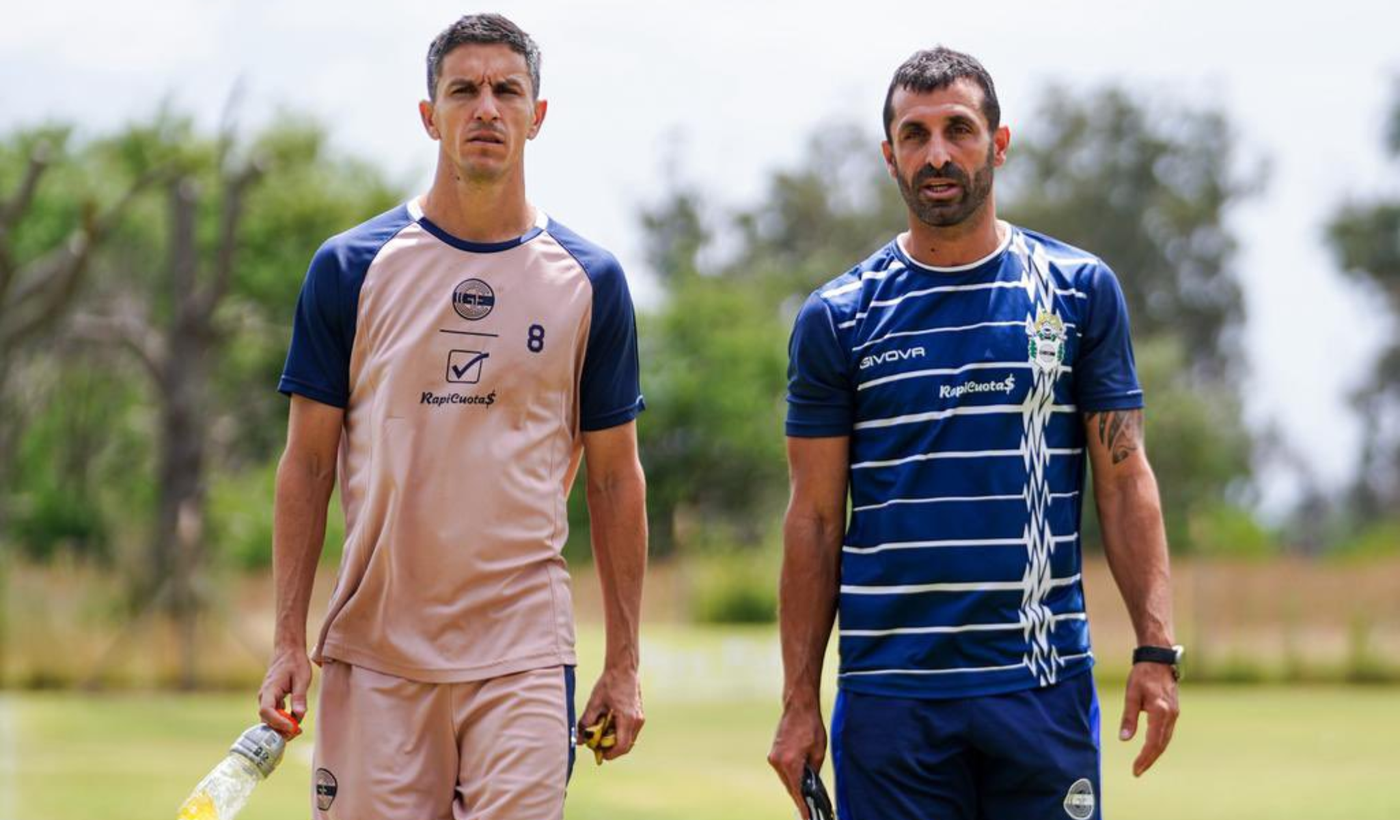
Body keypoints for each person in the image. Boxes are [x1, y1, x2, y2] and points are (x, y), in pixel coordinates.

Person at [768, 47, 1181, 820]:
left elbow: (1126, 480)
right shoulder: (839, 316)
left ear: (999, 142)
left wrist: (1156, 649)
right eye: (915, 135)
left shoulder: (1078, 291)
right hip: (892, 699)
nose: (937, 153)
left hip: (1040, 687)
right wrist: (798, 703)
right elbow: (815, 520)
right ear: (889, 156)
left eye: (958, 129)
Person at [256, 14, 648, 820]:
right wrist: (288, 639)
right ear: (429, 114)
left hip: (523, 657)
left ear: (538, 115)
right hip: (375, 654)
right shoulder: (349, 268)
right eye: (463, 90)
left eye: (507, 90)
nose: (486, 109)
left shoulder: (591, 281)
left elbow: (615, 478)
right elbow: (306, 465)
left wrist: (625, 662)